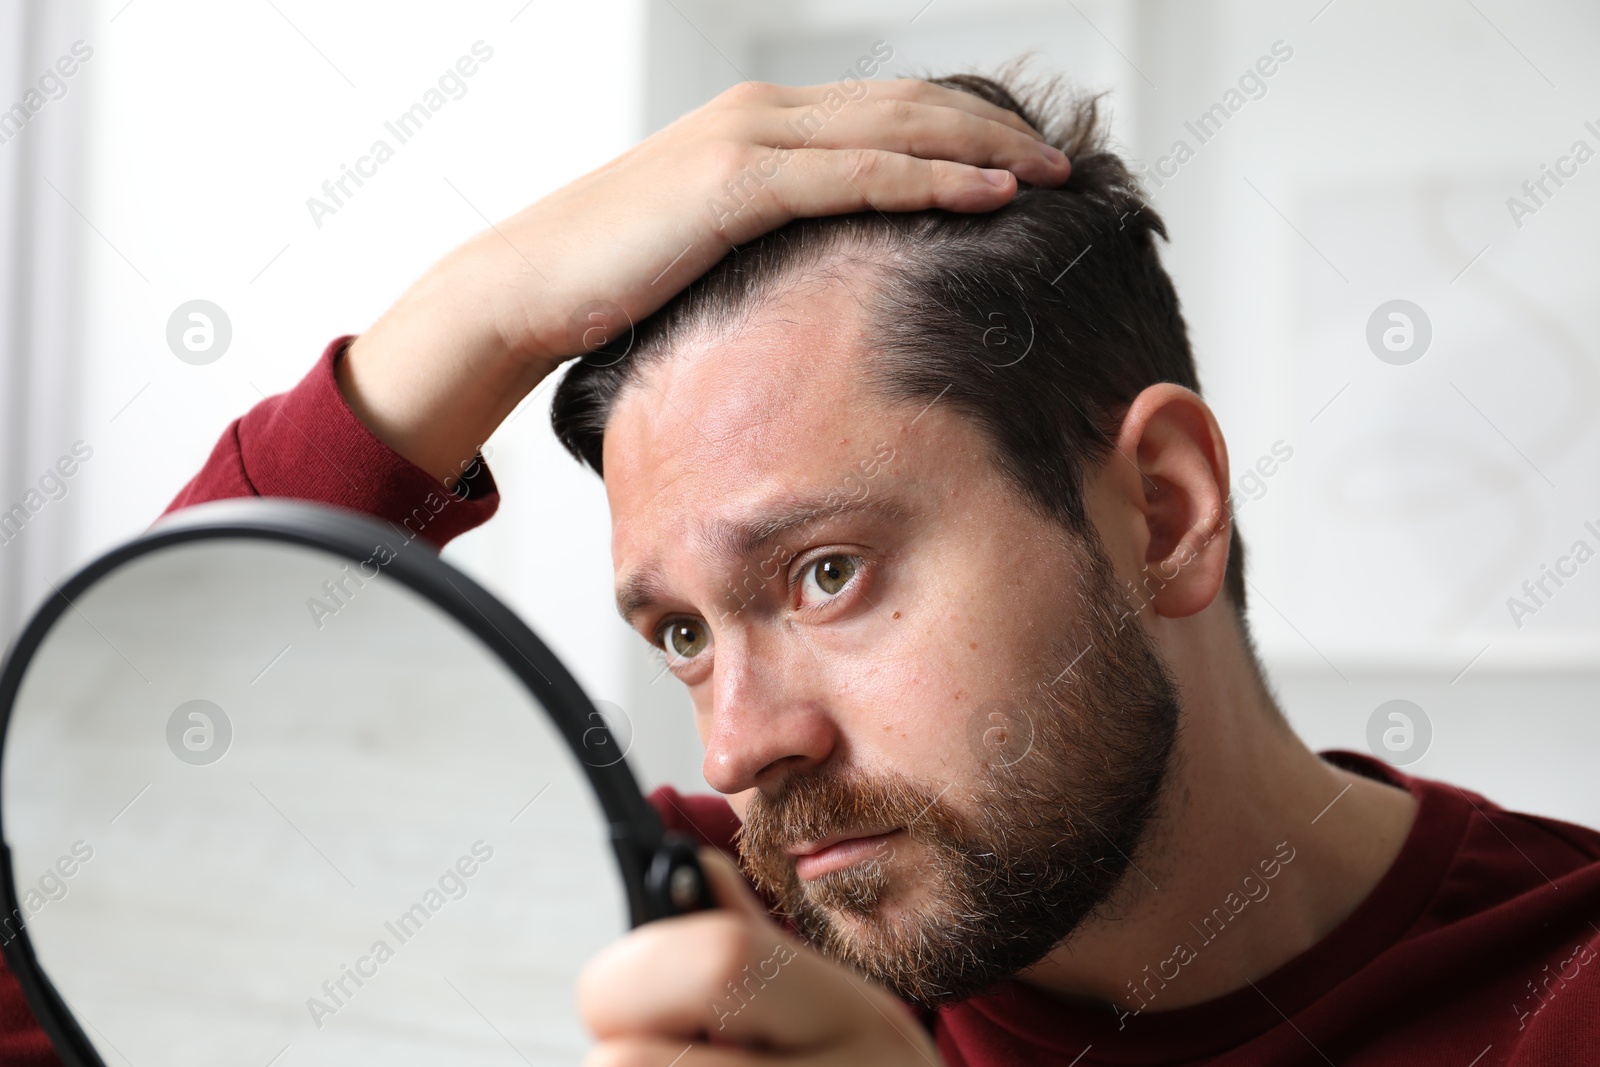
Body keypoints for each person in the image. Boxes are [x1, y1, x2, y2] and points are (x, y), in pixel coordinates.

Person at [4, 69, 1598, 1067]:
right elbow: (77, 911)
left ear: (1165, 510)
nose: (742, 743)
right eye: (684, 633)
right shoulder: (683, 933)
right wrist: (470, 318)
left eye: (826, 574)